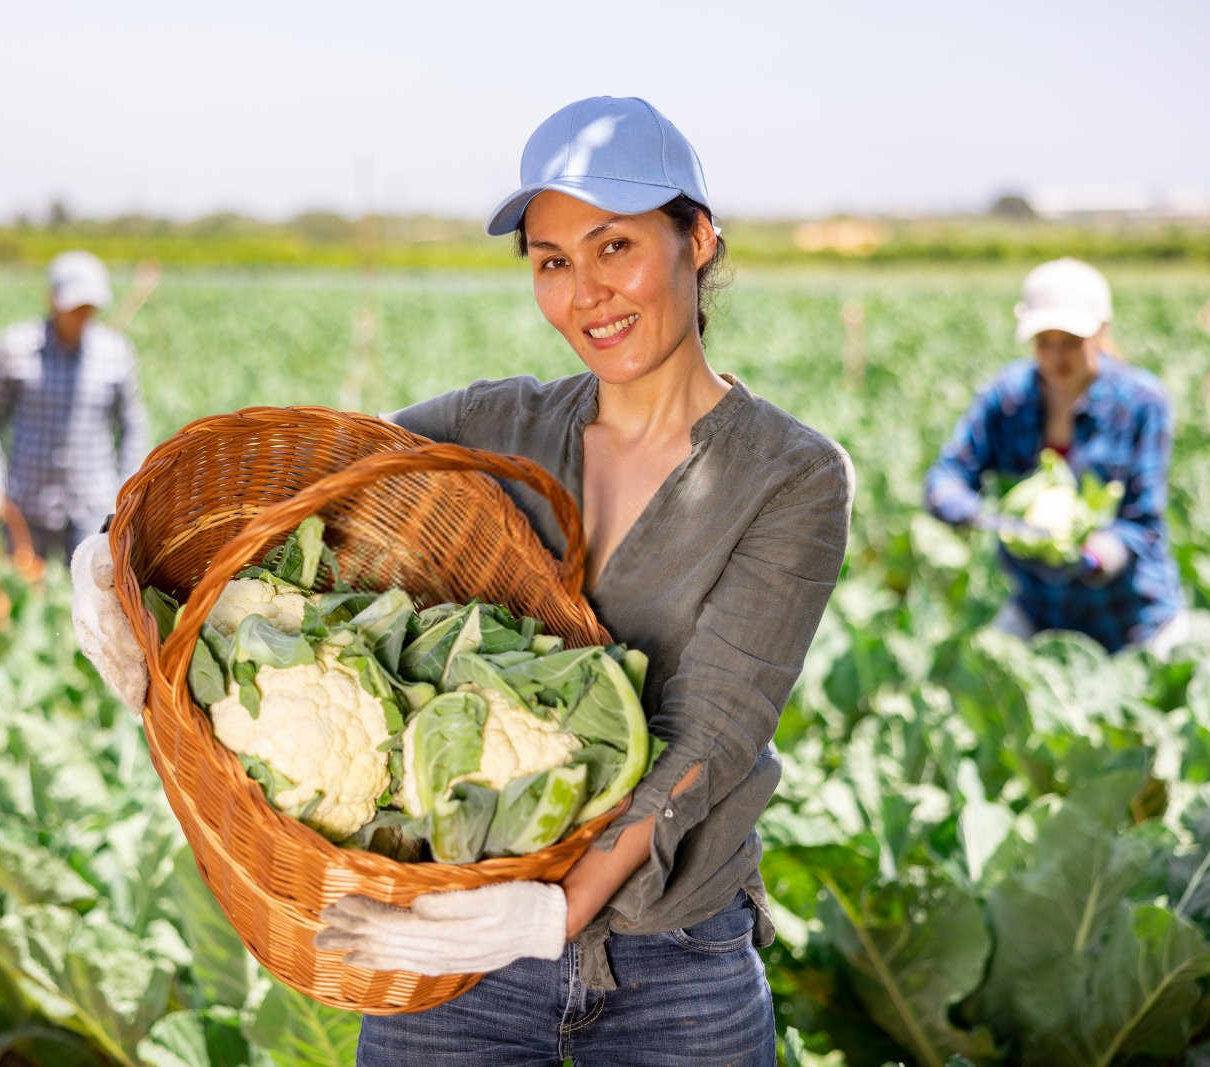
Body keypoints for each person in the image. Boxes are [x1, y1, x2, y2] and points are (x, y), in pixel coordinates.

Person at [71, 96, 852, 1066]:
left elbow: (713, 731)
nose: (586, 293)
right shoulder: (493, 426)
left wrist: (547, 912)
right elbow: (298, 481)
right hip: (446, 947)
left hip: (674, 952)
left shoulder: (790, 474)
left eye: (614, 247)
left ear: (697, 238)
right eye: (552, 261)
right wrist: (114, 563)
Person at [923, 257, 1187, 656]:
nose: (1057, 358)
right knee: (977, 674)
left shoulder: (1141, 403)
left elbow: (1143, 523)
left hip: (1131, 616)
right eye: (1044, 343)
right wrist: (964, 508)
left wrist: (1096, 557)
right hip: (1040, 608)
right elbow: (949, 472)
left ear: (1102, 332)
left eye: (1071, 343)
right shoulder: (1007, 398)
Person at [0, 250, 150, 560]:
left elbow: (133, 425)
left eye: (89, 307)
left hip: (92, 504)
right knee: (20, 593)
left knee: (92, 600)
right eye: (75, 307)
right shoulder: (16, 349)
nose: (82, 315)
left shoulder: (115, 352)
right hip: (25, 504)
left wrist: (129, 490)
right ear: (52, 300)